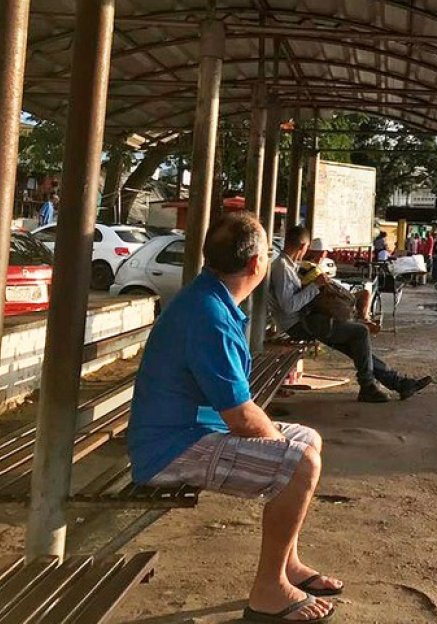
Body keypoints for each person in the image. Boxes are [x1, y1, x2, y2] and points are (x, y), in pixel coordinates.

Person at [129, 212, 340, 623]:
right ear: (256, 265)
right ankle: (268, 592)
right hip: (170, 448)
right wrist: (283, 450)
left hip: (191, 431)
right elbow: (242, 418)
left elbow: (237, 410)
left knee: (309, 440)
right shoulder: (208, 313)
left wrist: (285, 443)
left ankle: (288, 564)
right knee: (301, 462)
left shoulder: (209, 299)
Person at [270, 224, 431, 404]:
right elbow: (288, 306)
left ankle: (398, 383)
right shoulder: (282, 268)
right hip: (299, 324)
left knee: (356, 345)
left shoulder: (289, 266)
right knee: (359, 333)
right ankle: (368, 386)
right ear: (303, 246)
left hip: (310, 320)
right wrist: (316, 286)